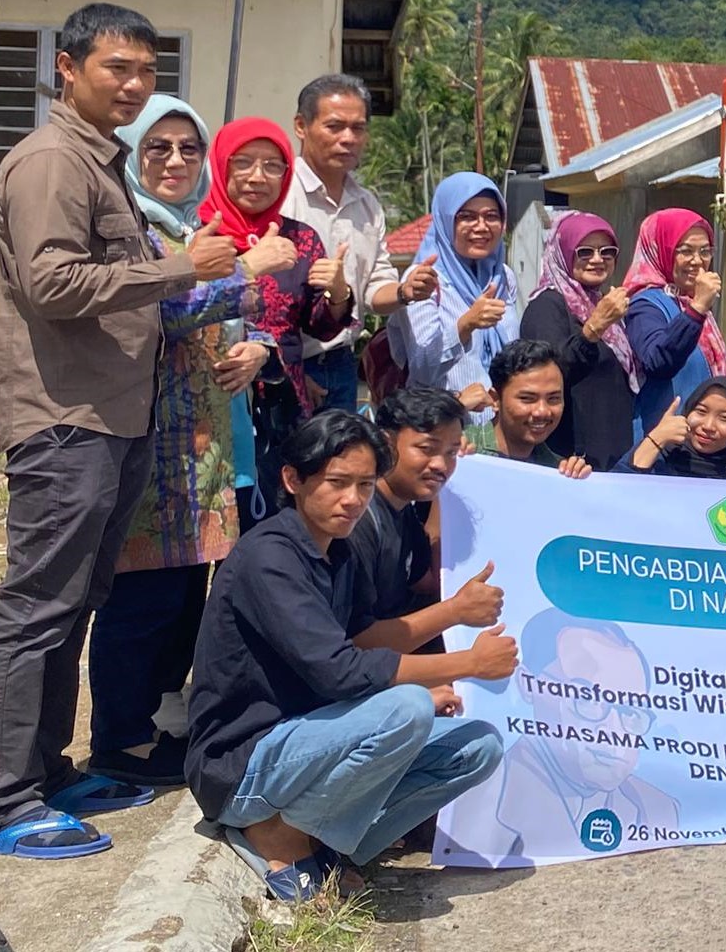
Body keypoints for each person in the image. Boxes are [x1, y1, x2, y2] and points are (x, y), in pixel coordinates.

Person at [0, 4, 240, 860]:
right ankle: (4, 801)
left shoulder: (99, 161)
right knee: (36, 605)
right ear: (68, 68)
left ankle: (45, 771)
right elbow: (52, 283)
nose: (131, 84)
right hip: (63, 419)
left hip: (112, 417)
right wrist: (178, 269)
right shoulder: (52, 159)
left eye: (145, 71)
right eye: (115, 68)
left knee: (75, 603)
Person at [184, 410, 513, 902]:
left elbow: (366, 640)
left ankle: (327, 845)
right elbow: (340, 671)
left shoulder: (338, 551)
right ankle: (277, 837)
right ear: (293, 480)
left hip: (310, 741)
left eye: (364, 484)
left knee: (477, 748)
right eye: (337, 482)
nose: (353, 499)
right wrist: (467, 665)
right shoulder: (269, 557)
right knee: (407, 709)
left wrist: (450, 621)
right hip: (241, 764)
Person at [87, 95, 282, 792]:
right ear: (131, 154)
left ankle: (162, 728)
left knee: (182, 600)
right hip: (148, 444)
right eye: (157, 148)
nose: (174, 162)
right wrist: (248, 271)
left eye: (187, 149)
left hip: (203, 446)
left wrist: (252, 347)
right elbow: (158, 307)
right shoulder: (128, 226)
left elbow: (218, 323)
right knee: (138, 600)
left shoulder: (197, 228)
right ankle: (119, 738)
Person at [438, 611, 681, 865]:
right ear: (528, 684)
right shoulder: (473, 803)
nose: (612, 730)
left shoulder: (657, 808)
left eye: (630, 710)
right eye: (587, 698)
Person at [200, 118, 346, 516]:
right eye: (243, 163)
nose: (257, 177)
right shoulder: (199, 235)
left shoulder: (299, 237)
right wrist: (245, 266)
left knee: (270, 537)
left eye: (272, 165)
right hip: (209, 413)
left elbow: (319, 324)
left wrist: (338, 291)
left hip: (281, 412)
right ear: (220, 165)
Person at [283, 74, 429, 414]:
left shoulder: (367, 205)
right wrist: (288, 371)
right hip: (286, 368)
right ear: (301, 126)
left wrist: (407, 291)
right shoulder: (279, 196)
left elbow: (374, 292)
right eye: (335, 126)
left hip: (343, 365)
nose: (348, 138)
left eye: (358, 128)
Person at [518, 211, 697, 472]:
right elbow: (547, 373)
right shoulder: (548, 305)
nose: (597, 259)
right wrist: (593, 328)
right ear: (564, 254)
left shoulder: (602, 304)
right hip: (572, 462)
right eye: (585, 252)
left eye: (607, 251)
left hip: (615, 455)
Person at [352, 387, 467, 624]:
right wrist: (454, 613)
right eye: (427, 449)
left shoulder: (404, 509)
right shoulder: (356, 517)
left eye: (452, 453)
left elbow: (430, 582)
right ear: (386, 443)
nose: (441, 464)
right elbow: (356, 641)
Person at [399, 174, 517, 401]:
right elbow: (422, 369)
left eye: (491, 216)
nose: (481, 227)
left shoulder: (503, 277)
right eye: (467, 217)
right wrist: (466, 324)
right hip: (449, 423)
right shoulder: (425, 280)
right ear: (446, 220)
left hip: (499, 423)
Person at [617, 209, 726, 442]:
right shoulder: (644, 304)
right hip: (662, 448)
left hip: (699, 442)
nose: (697, 261)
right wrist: (697, 309)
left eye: (705, 251)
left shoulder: (684, 300)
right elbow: (658, 360)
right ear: (661, 251)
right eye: (685, 251)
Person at [626, 376, 726, 480]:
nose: (708, 426)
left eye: (724, 418)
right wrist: (656, 438)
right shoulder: (658, 457)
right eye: (701, 411)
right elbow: (617, 496)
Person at [486, 339, 593, 477]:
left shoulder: (558, 471)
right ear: (495, 399)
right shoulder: (459, 455)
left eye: (553, 399)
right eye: (528, 399)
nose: (542, 411)